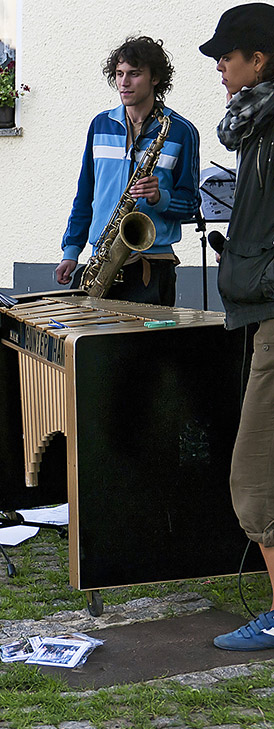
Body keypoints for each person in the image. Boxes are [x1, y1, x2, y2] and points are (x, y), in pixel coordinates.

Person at [201, 3, 274, 651]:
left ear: (261, 58)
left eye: (228, 55)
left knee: (254, 478)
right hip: (260, 305)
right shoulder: (257, 124)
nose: (220, 66)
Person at [55, 36, 201, 305]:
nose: (124, 82)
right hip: (104, 259)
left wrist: (160, 198)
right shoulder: (100, 125)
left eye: (134, 74)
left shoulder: (181, 131)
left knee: (147, 348)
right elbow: (85, 194)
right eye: (119, 74)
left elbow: (191, 203)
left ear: (154, 78)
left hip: (153, 264)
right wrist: (71, 251)